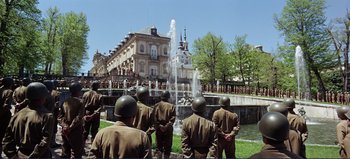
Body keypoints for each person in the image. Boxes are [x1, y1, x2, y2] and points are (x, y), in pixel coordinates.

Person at [2, 82, 54, 158]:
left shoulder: (17, 114)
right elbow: (45, 142)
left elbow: (7, 140)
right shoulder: (47, 116)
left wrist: (13, 156)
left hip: (20, 154)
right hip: (40, 156)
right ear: (42, 97)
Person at [59, 82, 85, 158]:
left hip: (65, 130)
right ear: (78, 91)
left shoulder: (65, 101)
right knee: (76, 152)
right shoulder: (81, 102)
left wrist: (64, 126)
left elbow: (60, 117)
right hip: (76, 131)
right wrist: (70, 127)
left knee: (65, 150)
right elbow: (79, 117)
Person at [153, 91, 176, 159]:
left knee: (159, 147)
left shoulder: (156, 106)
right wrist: (166, 126)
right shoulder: (171, 106)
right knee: (167, 148)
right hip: (168, 129)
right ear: (168, 97)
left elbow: (154, 117)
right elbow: (173, 118)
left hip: (159, 129)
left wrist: (159, 126)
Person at [0, 77, 14, 154]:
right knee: (2, 132)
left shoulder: (1, 89)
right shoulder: (9, 91)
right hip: (4, 115)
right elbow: (6, 105)